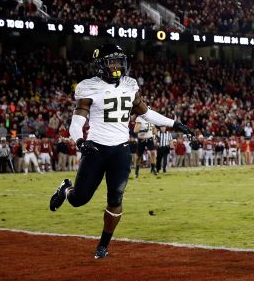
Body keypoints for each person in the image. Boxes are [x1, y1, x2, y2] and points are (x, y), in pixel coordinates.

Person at [49, 43, 194, 259]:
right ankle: (65, 189)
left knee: (115, 199)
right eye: (112, 61)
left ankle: (103, 245)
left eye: (119, 60)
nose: (117, 65)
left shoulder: (129, 84)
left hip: (121, 150)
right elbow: (77, 121)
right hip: (96, 149)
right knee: (79, 199)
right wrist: (80, 141)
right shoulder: (89, 87)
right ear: (100, 65)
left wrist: (174, 123)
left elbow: (146, 113)